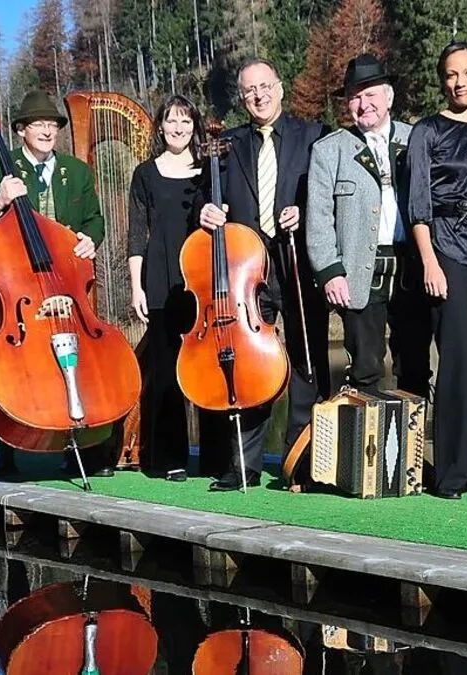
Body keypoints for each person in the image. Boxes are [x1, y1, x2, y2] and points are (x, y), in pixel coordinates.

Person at [198, 58, 332, 491]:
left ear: (280, 88)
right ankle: (244, 466)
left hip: (296, 259)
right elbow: (207, 200)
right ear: (242, 98)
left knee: (307, 363)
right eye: (249, 90)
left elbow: (328, 191)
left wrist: (306, 210)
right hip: (248, 270)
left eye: (265, 86)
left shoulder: (313, 135)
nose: (258, 95)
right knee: (251, 363)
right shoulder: (228, 144)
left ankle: (301, 461)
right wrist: (207, 211)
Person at [0, 89, 113, 480]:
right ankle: (8, 445)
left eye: (53, 125)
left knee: (84, 357)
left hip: (65, 283)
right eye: (39, 125)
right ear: (20, 131)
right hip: (21, 288)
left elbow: (95, 220)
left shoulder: (75, 171)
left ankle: (88, 443)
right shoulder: (3, 165)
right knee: (20, 365)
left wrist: (89, 239)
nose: (48, 131)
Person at [406, 43, 467, 500]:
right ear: (442, 80)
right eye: (451, 74)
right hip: (446, 248)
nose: (460, 82)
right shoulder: (427, 131)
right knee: (457, 362)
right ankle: (448, 473)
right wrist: (429, 260)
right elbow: (418, 204)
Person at [306, 54, 432, 401]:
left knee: (417, 368)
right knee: (365, 369)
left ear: (389, 97)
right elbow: (317, 219)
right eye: (356, 96)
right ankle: (367, 451)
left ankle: (413, 451)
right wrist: (330, 271)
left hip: (412, 270)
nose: (364, 104)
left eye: (371, 94)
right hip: (358, 274)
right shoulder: (328, 150)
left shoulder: (417, 139)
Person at [127, 94, 205, 482]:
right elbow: (136, 234)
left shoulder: (207, 170)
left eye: (186, 122)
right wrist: (136, 287)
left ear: (195, 126)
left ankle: (215, 457)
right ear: (160, 126)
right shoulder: (145, 173)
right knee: (166, 371)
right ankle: (168, 459)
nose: (179, 129)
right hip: (159, 279)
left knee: (206, 367)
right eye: (172, 121)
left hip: (200, 282)